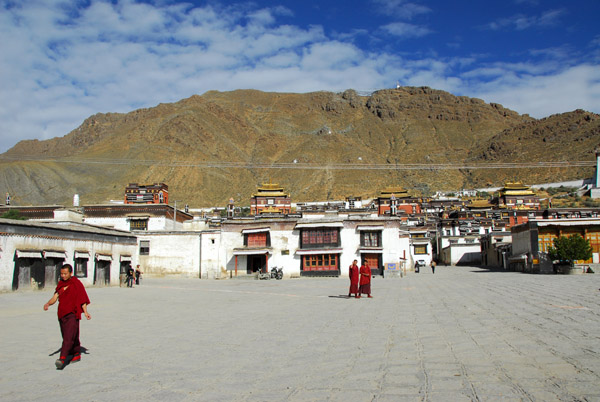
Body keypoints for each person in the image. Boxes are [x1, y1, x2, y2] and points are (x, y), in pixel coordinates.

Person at [43, 264, 91, 369]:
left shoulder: (76, 284)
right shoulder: (61, 284)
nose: (63, 276)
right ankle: (76, 353)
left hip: (72, 314)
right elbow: (55, 297)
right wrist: (48, 304)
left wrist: (86, 312)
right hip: (62, 314)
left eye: (65, 274)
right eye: (61, 274)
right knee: (68, 335)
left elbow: (82, 299)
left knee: (69, 336)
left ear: (70, 273)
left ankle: (62, 358)